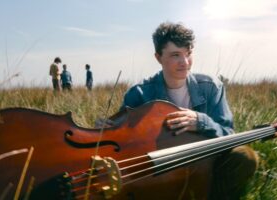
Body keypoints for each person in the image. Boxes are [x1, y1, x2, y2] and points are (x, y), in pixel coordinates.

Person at [101, 22, 258, 200]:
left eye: (188, 53)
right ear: (158, 57)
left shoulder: (211, 87)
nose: (185, 62)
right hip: (160, 172)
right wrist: (106, 132)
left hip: (203, 167)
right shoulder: (139, 93)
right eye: (176, 55)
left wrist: (202, 122)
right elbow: (122, 144)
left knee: (245, 156)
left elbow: (228, 134)